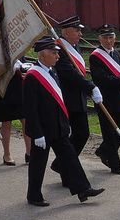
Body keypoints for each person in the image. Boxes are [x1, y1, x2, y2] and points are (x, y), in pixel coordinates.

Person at [23, 37, 104, 206]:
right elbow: (31, 109)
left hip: (58, 127)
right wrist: (37, 133)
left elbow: (59, 101)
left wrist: (65, 125)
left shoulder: (53, 71)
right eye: (54, 53)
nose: (57, 56)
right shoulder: (33, 76)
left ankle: (83, 189)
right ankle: (34, 195)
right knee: (38, 163)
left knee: (70, 158)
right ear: (43, 54)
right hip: (42, 130)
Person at [54, 16, 101, 160]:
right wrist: (90, 86)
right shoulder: (59, 49)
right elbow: (69, 73)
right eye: (77, 31)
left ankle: (64, 164)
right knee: (70, 135)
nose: (80, 34)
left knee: (82, 133)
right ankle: (67, 166)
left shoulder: (75, 46)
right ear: (66, 32)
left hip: (78, 98)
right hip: (67, 98)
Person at [89, 24, 120, 174]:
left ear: (115, 38)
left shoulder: (116, 53)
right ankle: (115, 165)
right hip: (105, 100)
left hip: (119, 98)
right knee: (109, 132)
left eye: (111, 37)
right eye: (105, 38)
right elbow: (103, 80)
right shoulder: (95, 56)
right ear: (100, 39)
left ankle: (103, 151)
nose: (108, 41)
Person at [0, 58, 30, 165]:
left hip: (19, 86)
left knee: (25, 119)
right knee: (6, 121)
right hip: (3, 86)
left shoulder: (17, 45)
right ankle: (7, 154)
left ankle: (29, 152)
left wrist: (23, 66)